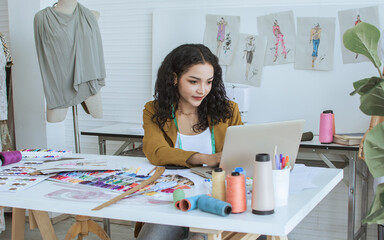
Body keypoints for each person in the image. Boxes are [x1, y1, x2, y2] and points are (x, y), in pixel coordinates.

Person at [138, 44, 243, 239]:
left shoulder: (229, 111)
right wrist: (205, 158)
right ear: (174, 78)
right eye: (194, 81)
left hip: (217, 196)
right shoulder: (154, 110)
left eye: (209, 82)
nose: (202, 90)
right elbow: (156, 151)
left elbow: (242, 151)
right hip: (173, 197)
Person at [34, 0, 105, 123]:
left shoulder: (91, 15)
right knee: (56, 118)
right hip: (58, 88)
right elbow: (43, 54)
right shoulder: (42, 18)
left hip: (89, 83)